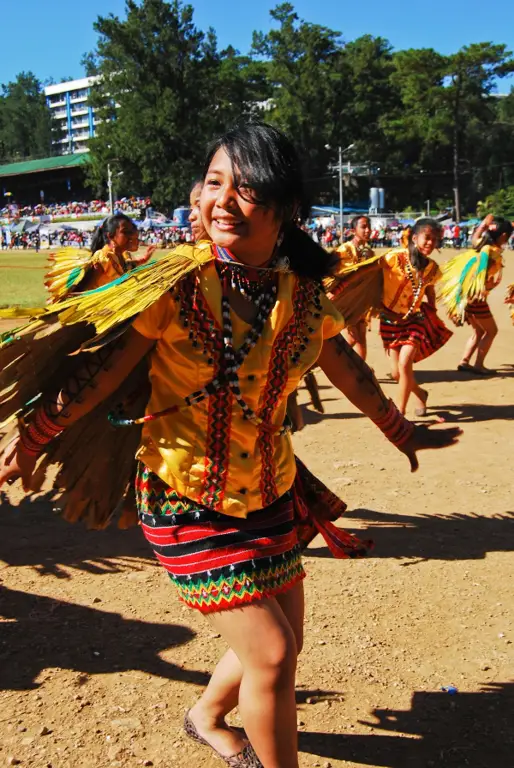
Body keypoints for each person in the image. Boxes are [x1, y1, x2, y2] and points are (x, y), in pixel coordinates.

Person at [0, 123, 460, 768]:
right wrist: (35, 438)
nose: (224, 200)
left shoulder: (304, 296)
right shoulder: (174, 287)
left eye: (246, 189)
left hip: (271, 489)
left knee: (285, 640)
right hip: (183, 495)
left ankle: (207, 714)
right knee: (271, 655)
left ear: (285, 209)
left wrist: (400, 427)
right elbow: (101, 375)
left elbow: (346, 368)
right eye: (215, 183)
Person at [326, 218, 452, 417]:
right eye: (427, 237)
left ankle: (399, 414)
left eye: (435, 240)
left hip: (414, 321)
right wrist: (338, 290)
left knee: (404, 365)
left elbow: (429, 289)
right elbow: (363, 270)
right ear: (414, 237)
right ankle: (420, 394)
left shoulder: (433, 269)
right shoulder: (395, 257)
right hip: (389, 321)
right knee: (397, 373)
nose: (430, 243)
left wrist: (433, 310)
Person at [439, 215, 513, 375]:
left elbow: (475, 240)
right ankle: (478, 364)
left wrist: (483, 225)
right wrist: (487, 285)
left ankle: (464, 361)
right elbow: (479, 274)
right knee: (491, 331)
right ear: (504, 236)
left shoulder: (481, 247)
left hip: (469, 297)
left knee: (479, 331)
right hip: (476, 298)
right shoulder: (490, 251)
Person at [45, 214, 157, 302]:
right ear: (111, 236)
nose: (131, 236)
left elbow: (129, 265)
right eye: (125, 232)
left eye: (130, 232)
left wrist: (144, 259)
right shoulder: (102, 258)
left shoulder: (121, 256)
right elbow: (82, 290)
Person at [332, 215, 374, 359]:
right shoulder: (345, 250)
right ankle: (315, 366)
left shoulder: (369, 252)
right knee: (351, 338)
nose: (368, 230)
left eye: (369, 226)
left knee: (360, 337)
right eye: (363, 227)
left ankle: (361, 372)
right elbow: (334, 275)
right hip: (344, 303)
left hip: (360, 303)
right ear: (353, 230)